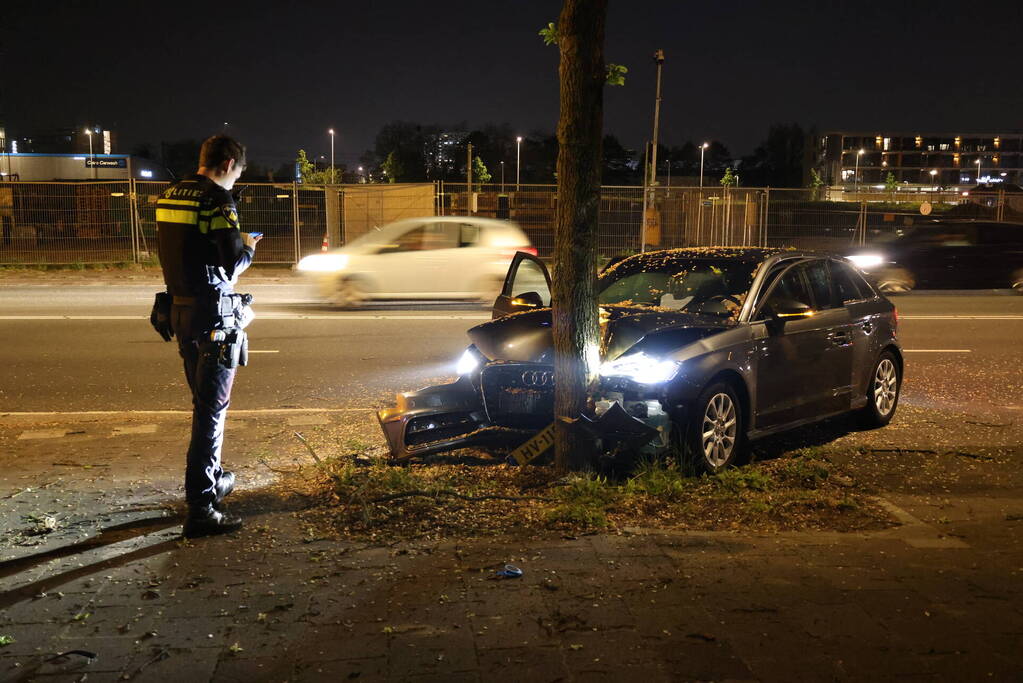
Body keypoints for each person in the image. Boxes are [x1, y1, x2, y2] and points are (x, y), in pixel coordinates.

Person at [154, 135, 260, 538]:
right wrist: (248, 246)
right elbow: (231, 262)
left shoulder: (169, 196)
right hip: (214, 315)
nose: (235, 180)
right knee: (211, 411)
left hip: (179, 311)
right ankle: (201, 506)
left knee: (202, 404)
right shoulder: (217, 200)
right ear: (229, 163)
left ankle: (212, 481)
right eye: (238, 173)